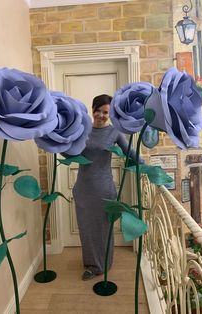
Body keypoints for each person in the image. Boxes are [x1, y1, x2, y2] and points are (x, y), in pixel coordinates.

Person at [73, 94, 141, 281]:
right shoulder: (82, 130)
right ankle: (91, 265)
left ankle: (105, 263)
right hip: (83, 189)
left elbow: (130, 152)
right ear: (92, 109)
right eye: (99, 111)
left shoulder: (114, 132)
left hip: (104, 189)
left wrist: (146, 165)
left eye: (106, 112)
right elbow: (70, 150)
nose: (102, 115)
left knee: (104, 229)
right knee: (86, 229)